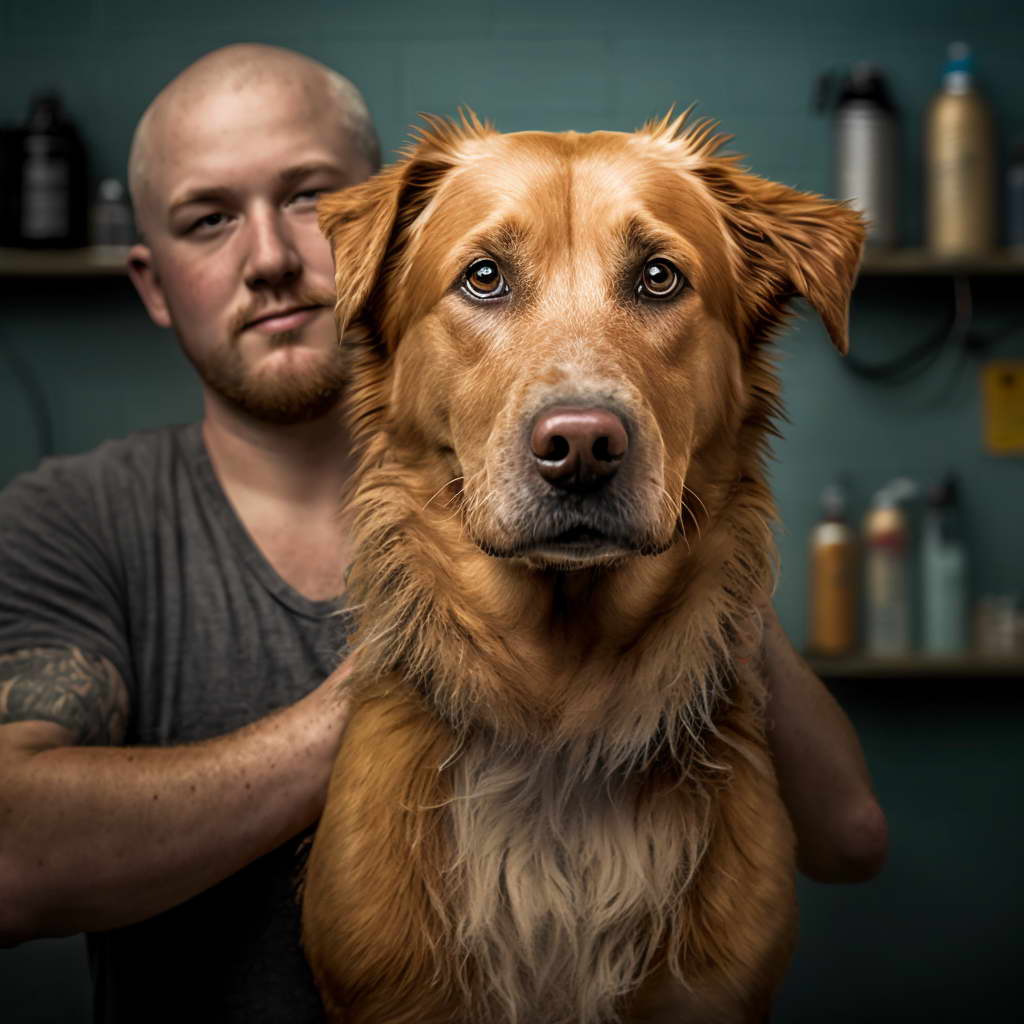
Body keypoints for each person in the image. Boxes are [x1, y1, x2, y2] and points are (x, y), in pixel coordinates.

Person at [0, 42, 887, 1022]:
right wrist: (396, 669)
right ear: (153, 279)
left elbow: (850, 833)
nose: (273, 259)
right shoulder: (73, 517)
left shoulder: (675, 555)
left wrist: (701, 589)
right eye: (209, 218)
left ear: (366, 240)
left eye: (307, 201)